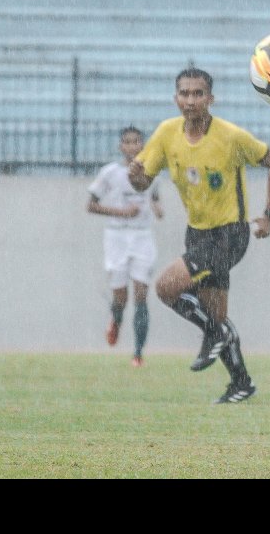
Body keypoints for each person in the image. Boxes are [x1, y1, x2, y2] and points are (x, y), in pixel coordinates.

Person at [129, 67, 270, 404]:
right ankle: (241, 383)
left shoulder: (230, 136)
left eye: (198, 93)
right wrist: (135, 177)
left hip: (230, 235)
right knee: (215, 313)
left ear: (210, 99)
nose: (191, 100)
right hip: (197, 234)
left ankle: (216, 334)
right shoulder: (167, 133)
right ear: (176, 98)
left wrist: (269, 214)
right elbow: (142, 182)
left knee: (166, 287)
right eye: (184, 93)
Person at [87, 125, 164, 367]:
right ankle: (116, 318)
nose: (132, 146)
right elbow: (91, 205)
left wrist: (157, 208)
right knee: (121, 295)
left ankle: (138, 353)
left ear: (143, 146)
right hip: (117, 237)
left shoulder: (152, 172)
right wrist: (121, 212)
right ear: (121, 147)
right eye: (127, 142)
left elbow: (154, 198)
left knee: (141, 293)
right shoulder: (110, 173)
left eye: (136, 142)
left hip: (142, 237)